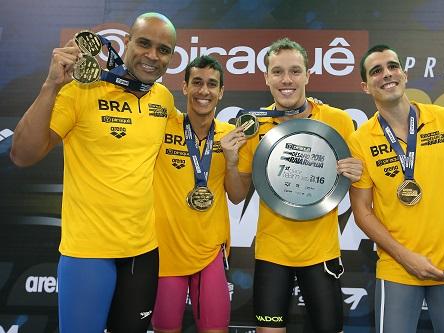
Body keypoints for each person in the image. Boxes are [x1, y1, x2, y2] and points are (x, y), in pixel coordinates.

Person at [10, 13, 177, 333]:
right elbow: (22, 154)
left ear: (171, 57)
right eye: (144, 43)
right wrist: (51, 85)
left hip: (142, 255)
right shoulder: (80, 91)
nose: (153, 55)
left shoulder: (164, 100)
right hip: (87, 254)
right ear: (127, 43)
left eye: (163, 49)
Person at [348, 44, 444, 333]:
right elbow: (363, 211)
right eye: (376, 71)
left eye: (392, 66)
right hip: (397, 269)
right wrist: (406, 257)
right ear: (365, 86)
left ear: (405, 74)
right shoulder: (360, 139)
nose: (386, 74)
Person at [225, 37, 363, 333]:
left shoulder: (337, 120)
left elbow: (356, 185)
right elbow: (236, 196)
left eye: (295, 71)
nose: (286, 80)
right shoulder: (255, 125)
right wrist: (232, 162)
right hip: (272, 254)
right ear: (266, 77)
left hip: (321, 254)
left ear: (308, 75)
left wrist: (356, 172)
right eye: (277, 72)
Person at [151, 55, 247, 333]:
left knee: (215, 329)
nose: (204, 91)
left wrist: (230, 160)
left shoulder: (231, 136)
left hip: (209, 252)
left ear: (221, 92)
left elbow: (238, 196)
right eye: (197, 83)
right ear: (184, 87)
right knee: (166, 329)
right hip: (166, 250)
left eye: (212, 85)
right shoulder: (163, 125)